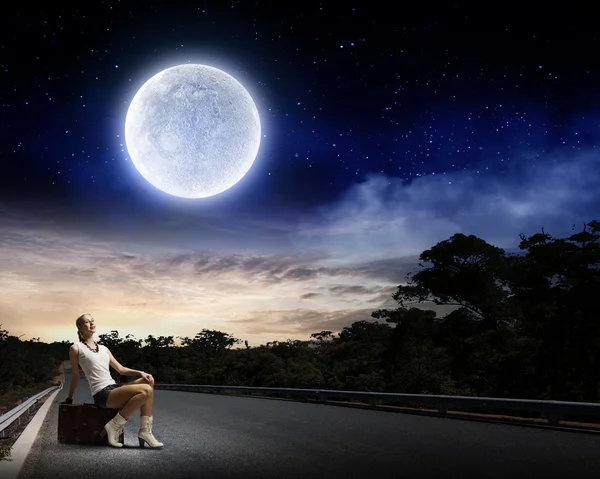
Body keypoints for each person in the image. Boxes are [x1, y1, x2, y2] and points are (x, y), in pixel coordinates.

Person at [65, 313, 164, 448]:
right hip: (102, 394)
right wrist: (69, 397)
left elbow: (121, 369)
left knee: (148, 382)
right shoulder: (76, 348)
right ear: (80, 327)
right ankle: (114, 425)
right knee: (146, 390)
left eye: (92, 321)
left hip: (114, 388)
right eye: (87, 322)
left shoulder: (104, 348)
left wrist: (141, 372)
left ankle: (145, 431)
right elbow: (75, 375)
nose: (91, 323)